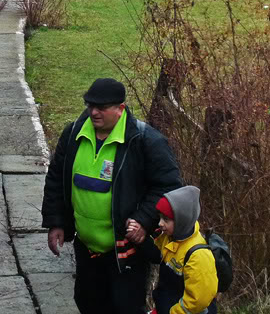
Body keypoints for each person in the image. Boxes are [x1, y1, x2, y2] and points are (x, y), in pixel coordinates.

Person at [42, 77, 182, 314]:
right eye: (90, 106)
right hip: (86, 247)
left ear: (120, 109)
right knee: (88, 303)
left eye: (101, 108)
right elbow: (57, 177)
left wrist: (144, 219)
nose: (94, 112)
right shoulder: (74, 133)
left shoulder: (145, 141)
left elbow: (168, 185)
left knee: (124, 307)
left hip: (125, 251)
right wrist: (57, 221)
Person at [128, 185, 218, 314]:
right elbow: (156, 253)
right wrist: (140, 238)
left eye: (166, 219)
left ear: (182, 220)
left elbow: (198, 301)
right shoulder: (170, 237)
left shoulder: (198, 255)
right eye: (160, 217)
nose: (160, 223)